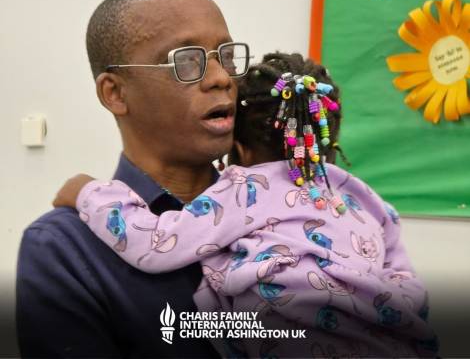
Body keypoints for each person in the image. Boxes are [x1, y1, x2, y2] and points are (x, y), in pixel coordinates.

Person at [54, 53, 438, 358]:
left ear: (239, 148)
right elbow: (410, 293)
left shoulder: (246, 188)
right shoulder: (366, 199)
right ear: (326, 140)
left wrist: (88, 192)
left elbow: (156, 243)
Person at [16, 0, 251, 358]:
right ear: (115, 93)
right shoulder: (66, 249)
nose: (221, 77)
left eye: (225, 56)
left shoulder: (269, 210)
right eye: (186, 60)